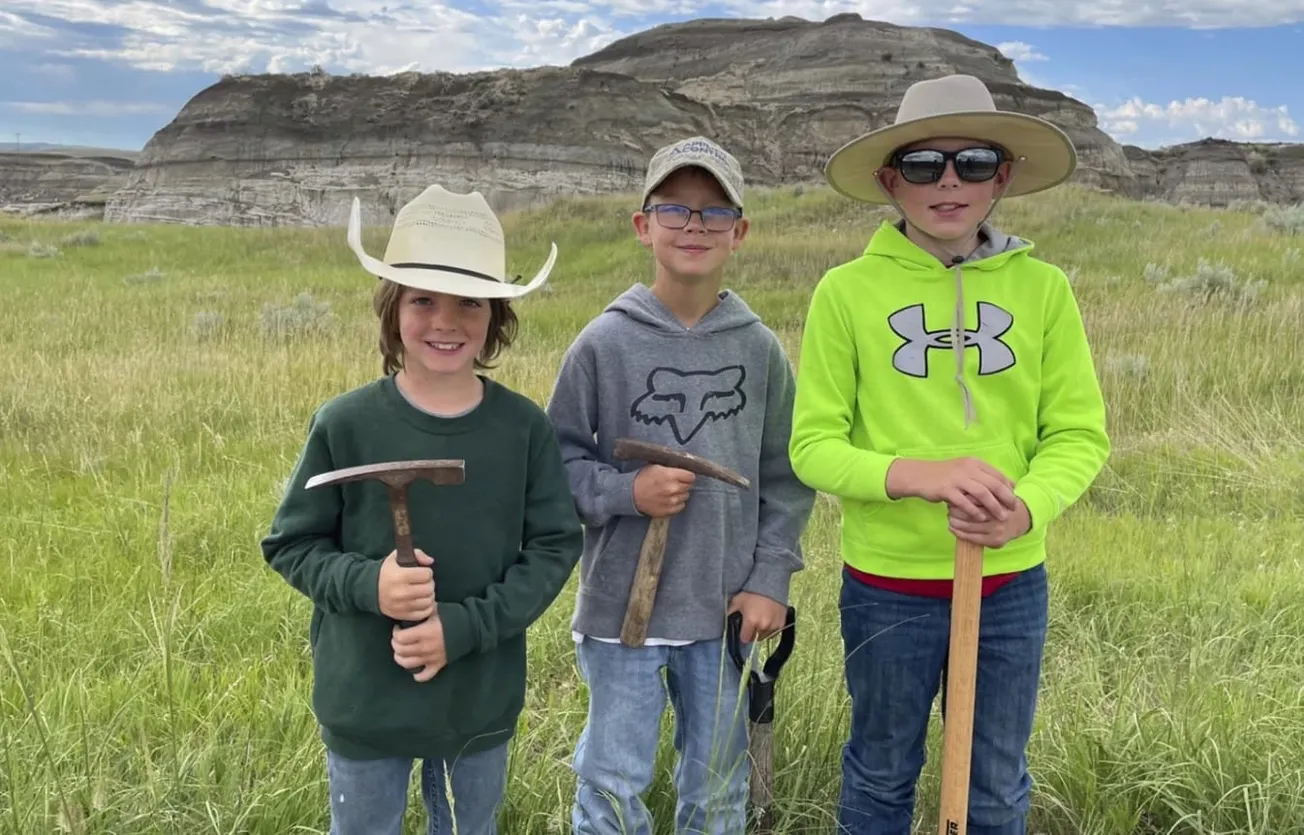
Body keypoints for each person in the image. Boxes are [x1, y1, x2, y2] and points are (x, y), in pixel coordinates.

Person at [788, 75, 1111, 834]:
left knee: (995, 783)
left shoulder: (1044, 290)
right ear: (889, 179)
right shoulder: (846, 292)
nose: (949, 182)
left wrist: (1025, 506)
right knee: (879, 774)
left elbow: (1078, 433)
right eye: (925, 165)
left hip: (1009, 585)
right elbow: (813, 446)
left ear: (1002, 176)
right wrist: (916, 476)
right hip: (887, 586)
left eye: (971, 161)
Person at [260, 185, 584, 835]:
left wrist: (462, 628)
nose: (447, 320)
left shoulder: (521, 429)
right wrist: (368, 583)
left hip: (476, 701)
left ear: (496, 313)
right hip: (365, 699)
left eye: (470, 300)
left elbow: (554, 545)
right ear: (392, 308)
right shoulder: (346, 423)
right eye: (423, 299)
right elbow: (291, 543)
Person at [545, 136, 816, 834]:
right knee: (612, 783)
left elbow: (787, 477)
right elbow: (558, 468)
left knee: (718, 787)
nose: (694, 226)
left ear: (739, 231)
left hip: (722, 610)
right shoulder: (603, 343)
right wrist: (624, 494)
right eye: (675, 209)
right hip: (620, 613)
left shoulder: (757, 349)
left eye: (713, 211)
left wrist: (770, 579)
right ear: (643, 225)